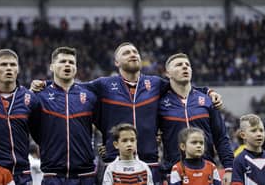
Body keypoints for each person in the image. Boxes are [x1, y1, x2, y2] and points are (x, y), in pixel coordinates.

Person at [30, 42, 222, 184]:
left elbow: (182, 85)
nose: (133, 54)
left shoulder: (155, 84)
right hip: (115, 163)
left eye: (135, 52)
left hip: (149, 162)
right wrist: (47, 85)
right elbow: (72, 86)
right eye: (126, 52)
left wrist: (207, 91)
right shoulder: (104, 85)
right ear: (116, 62)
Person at [158, 53, 233, 185]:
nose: (185, 67)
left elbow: (221, 136)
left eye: (187, 65)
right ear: (168, 73)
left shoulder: (207, 100)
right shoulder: (160, 103)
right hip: (173, 172)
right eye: (179, 65)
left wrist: (229, 167)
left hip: (207, 172)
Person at [30, 47, 98, 184]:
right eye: (62, 61)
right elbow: (33, 129)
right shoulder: (39, 97)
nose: (67, 65)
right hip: (53, 176)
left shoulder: (90, 96)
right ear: (52, 67)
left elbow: (103, 125)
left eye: (71, 62)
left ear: (76, 68)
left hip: (86, 176)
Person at [0, 49, 39, 185]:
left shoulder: (30, 99)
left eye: (13, 65)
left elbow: (42, 135)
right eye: (3, 64)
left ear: (18, 69)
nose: (9, 68)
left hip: (22, 174)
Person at [231, 114, 265, 185]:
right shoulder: (239, 160)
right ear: (243, 135)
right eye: (254, 131)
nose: (259, 134)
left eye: (261, 130)